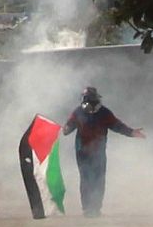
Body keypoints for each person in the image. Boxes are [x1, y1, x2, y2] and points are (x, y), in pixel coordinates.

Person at [61, 86, 145, 216]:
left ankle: (95, 208)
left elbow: (117, 125)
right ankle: (88, 208)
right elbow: (68, 129)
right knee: (86, 179)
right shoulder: (78, 112)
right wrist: (65, 128)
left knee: (98, 179)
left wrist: (132, 132)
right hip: (82, 152)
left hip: (98, 152)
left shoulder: (104, 113)